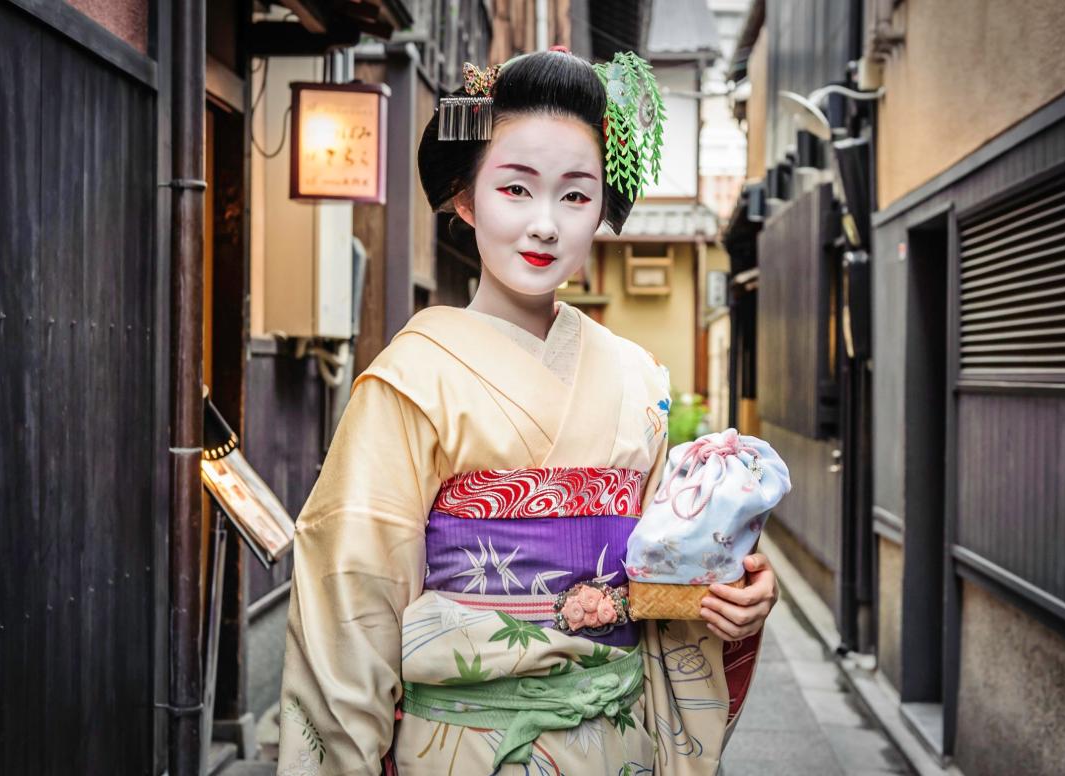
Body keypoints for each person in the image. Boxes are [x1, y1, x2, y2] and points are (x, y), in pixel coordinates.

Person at [276, 48, 779, 776]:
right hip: (460, 748)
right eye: (516, 189)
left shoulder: (638, 378)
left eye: (575, 196)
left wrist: (726, 596)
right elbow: (348, 602)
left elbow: (663, 568)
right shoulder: (411, 379)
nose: (545, 225)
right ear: (465, 198)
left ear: (601, 207)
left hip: (617, 742)